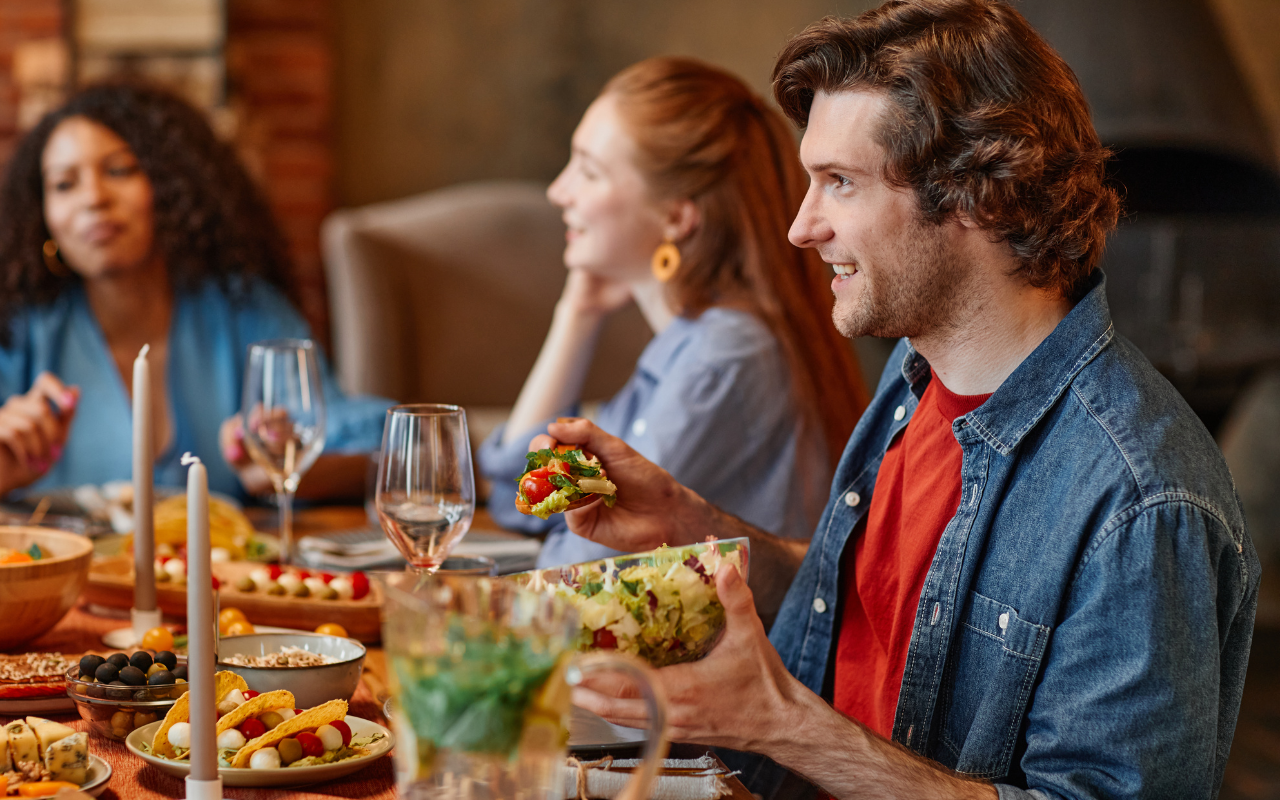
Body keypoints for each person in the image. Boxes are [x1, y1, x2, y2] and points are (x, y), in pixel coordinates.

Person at [535, 3, 1259, 798]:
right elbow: (867, 601)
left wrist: (782, 725)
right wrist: (685, 520)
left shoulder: (1143, 502)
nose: (800, 228)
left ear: (978, 198)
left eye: (839, 183)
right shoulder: (917, 376)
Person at [476, 57, 870, 567]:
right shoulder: (690, 341)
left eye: (589, 172)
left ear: (676, 217)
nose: (558, 191)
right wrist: (576, 315)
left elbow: (582, 558)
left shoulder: (721, 355)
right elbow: (522, 497)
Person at [0, 83, 391, 502]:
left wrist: (290, 462)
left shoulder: (243, 308)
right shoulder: (11, 331)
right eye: (64, 184)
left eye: (119, 171)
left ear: (172, 184)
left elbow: (381, 445)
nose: (93, 198)